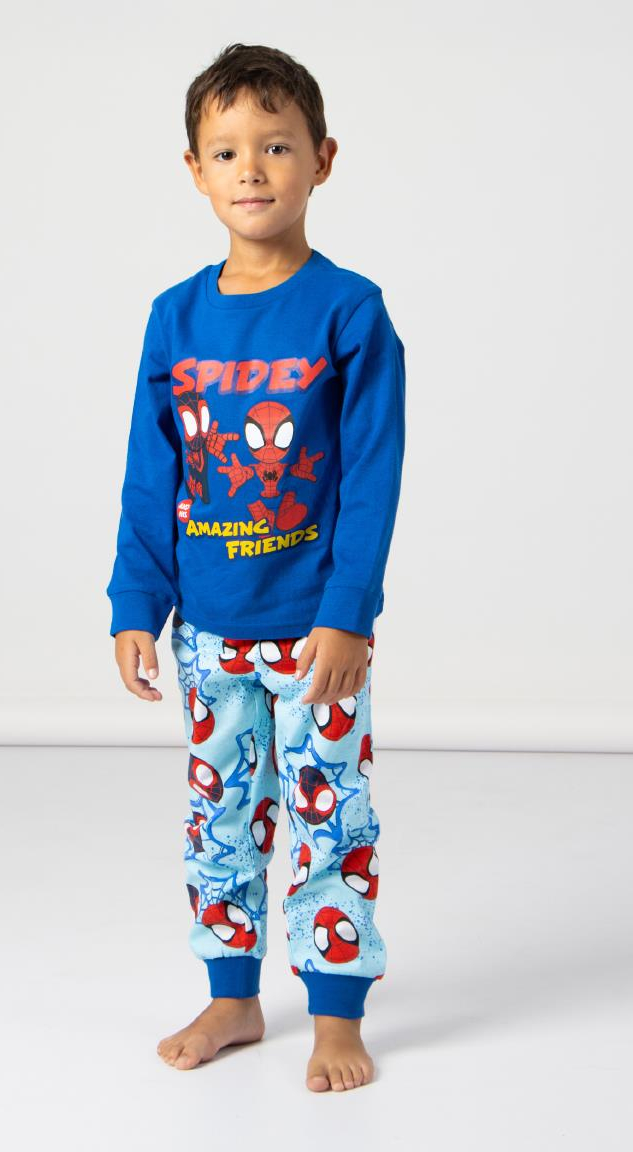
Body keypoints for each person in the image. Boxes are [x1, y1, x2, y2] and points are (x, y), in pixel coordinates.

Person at [106, 42, 406, 1093]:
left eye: (276, 146)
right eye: (227, 150)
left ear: (322, 159)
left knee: (330, 815)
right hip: (211, 628)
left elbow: (371, 476)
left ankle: (335, 1012)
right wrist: (136, 601)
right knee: (219, 815)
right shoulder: (174, 318)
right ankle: (233, 995)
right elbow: (152, 474)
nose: (252, 169)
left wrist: (349, 613)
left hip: (315, 632)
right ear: (195, 171)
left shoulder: (350, 312)